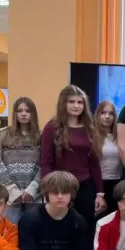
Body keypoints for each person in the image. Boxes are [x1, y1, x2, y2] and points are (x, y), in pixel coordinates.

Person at [40, 85, 106, 233]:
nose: (76, 106)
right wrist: (46, 191)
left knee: (85, 228)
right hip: (60, 187)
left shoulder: (90, 128)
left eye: (80, 102)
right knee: (60, 228)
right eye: (72, 102)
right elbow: (46, 162)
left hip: (85, 186)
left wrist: (100, 193)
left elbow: (94, 163)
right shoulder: (51, 128)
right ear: (63, 103)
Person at [0, 96, 41, 224]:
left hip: (34, 196)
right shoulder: (2, 134)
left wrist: (32, 189)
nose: (23, 114)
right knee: (9, 231)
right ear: (15, 113)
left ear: (33, 114)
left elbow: (45, 165)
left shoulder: (41, 136)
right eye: (20, 110)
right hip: (9, 197)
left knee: (32, 231)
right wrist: (12, 190)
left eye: (27, 111)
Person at [95, 100, 123, 216]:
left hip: (118, 183)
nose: (107, 117)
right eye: (103, 113)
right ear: (98, 115)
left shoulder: (120, 136)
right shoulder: (92, 136)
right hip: (99, 184)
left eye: (111, 113)